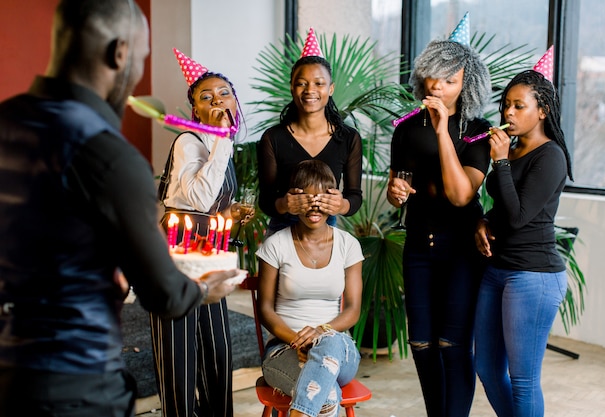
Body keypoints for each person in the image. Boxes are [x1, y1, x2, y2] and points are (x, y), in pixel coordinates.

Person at [0, 1, 239, 416]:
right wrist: (205, 289)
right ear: (119, 53)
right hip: (75, 385)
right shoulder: (111, 156)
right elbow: (162, 291)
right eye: (142, 58)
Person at [386, 13, 493, 417]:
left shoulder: (478, 132)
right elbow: (399, 190)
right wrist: (395, 192)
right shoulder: (405, 129)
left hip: (462, 250)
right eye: (432, 76)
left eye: (449, 79)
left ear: (468, 82)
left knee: (453, 345)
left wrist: (443, 129)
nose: (437, 85)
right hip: (418, 246)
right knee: (422, 344)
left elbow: (461, 195)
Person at [149, 48, 251, 417]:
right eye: (206, 97)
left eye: (224, 93)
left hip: (210, 246)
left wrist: (231, 213)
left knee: (217, 346)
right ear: (196, 111)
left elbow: (208, 204)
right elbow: (196, 197)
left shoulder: (216, 144)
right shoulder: (189, 142)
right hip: (178, 248)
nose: (218, 100)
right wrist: (222, 138)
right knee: (179, 350)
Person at [473, 66, 573, 417]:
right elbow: (503, 207)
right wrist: (483, 221)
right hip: (498, 269)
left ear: (542, 110)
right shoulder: (512, 150)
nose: (508, 114)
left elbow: (519, 216)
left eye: (518, 106)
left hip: (533, 276)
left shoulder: (551, 156)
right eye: (505, 106)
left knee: (524, 379)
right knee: (485, 366)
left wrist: (498, 161)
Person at [256, 160, 364, 417]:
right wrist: (297, 341)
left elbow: (352, 310)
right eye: (307, 198)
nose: (314, 206)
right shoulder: (275, 245)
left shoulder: (348, 245)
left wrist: (320, 332)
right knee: (327, 396)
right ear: (295, 199)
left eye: (322, 198)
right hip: (285, 349)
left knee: (330, 342)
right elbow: (266, 310)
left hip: (339, 350)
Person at [257, 28, 362, 235]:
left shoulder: (349, 138)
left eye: (319, 83)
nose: (310, 90)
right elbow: (266, 201)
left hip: (325, 232)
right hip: (281, 232)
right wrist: (285, 205)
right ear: (292, 88)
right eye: (301, 84)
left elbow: (355, 196)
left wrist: (341, 205)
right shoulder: (273, 138)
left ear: (330, 89)